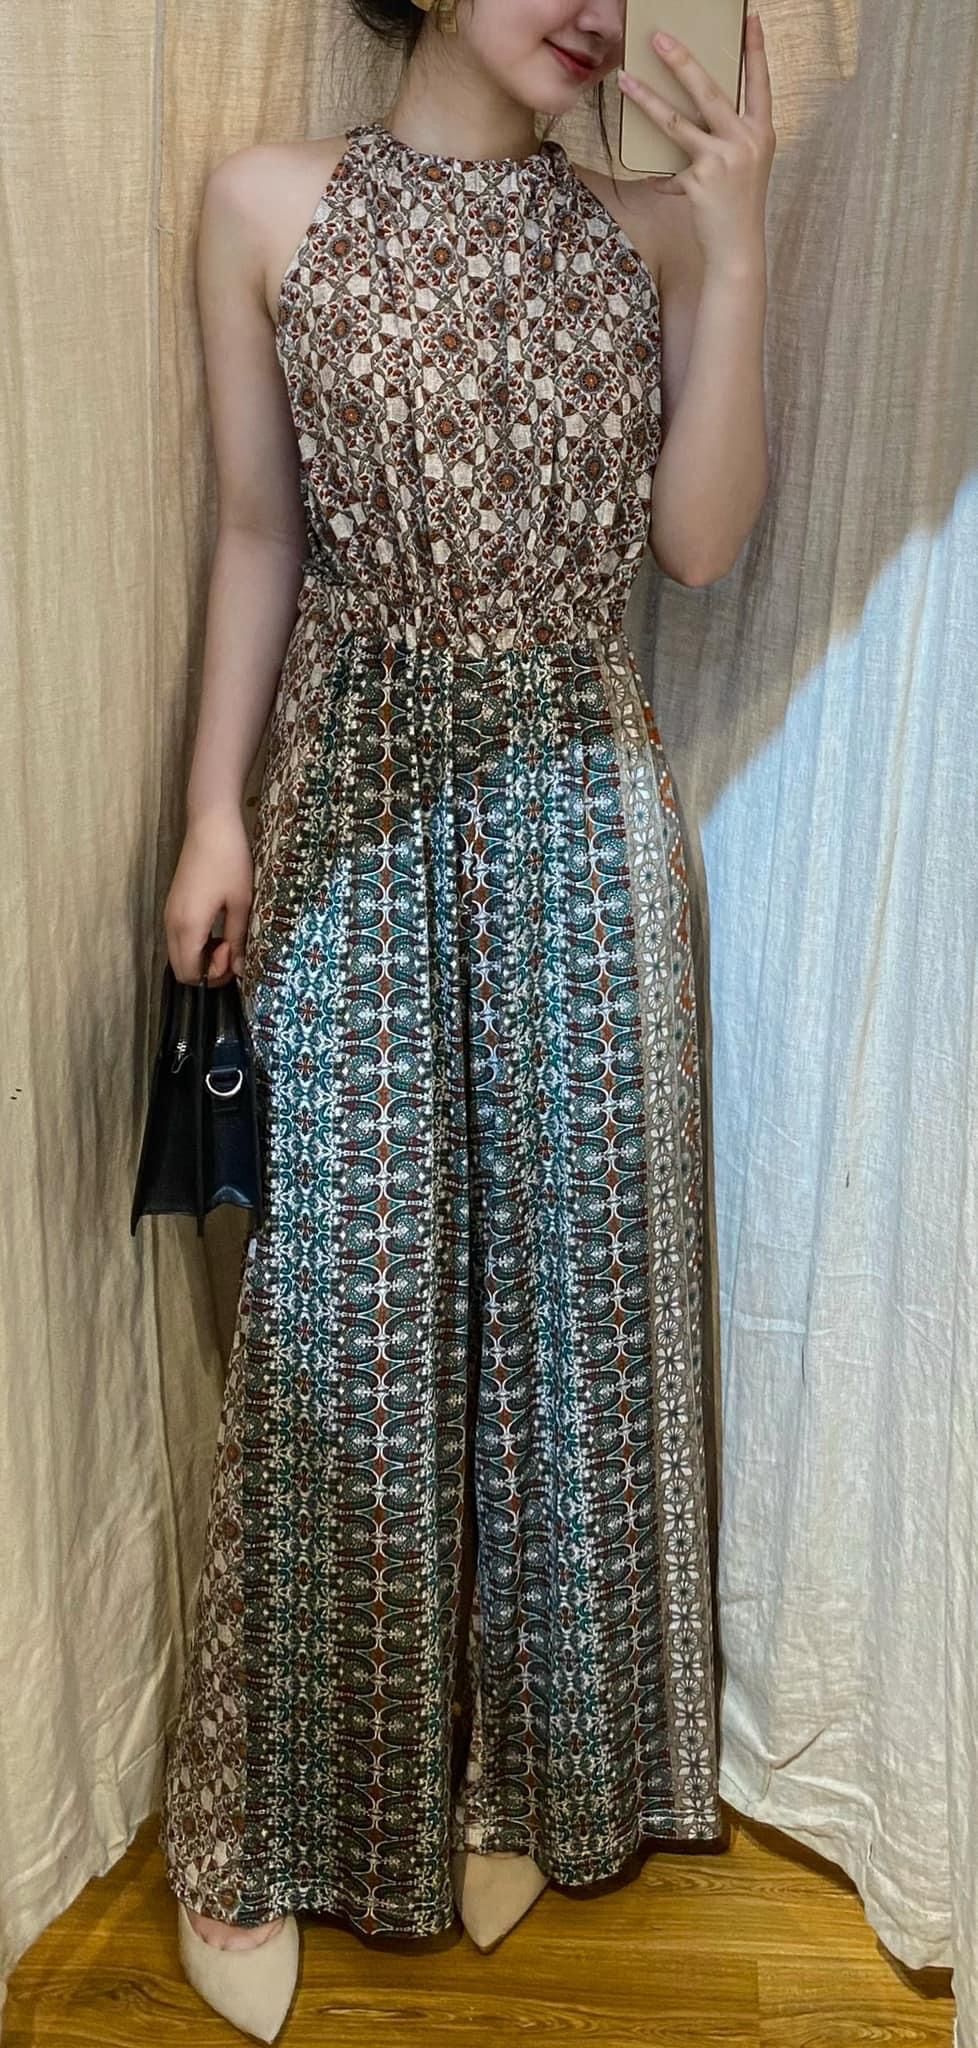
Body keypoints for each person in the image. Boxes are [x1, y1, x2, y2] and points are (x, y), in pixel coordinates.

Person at [159, 0, 774, 2036]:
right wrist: (209, 814)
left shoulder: (651, 230)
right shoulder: (265, 207)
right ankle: (278, 1821)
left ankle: (530, 1772)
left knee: (578, 1317)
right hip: (354, 790)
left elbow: (698, 545)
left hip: (584, 809)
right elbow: (261, 533)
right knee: (343, 1315)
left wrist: (739, 245)